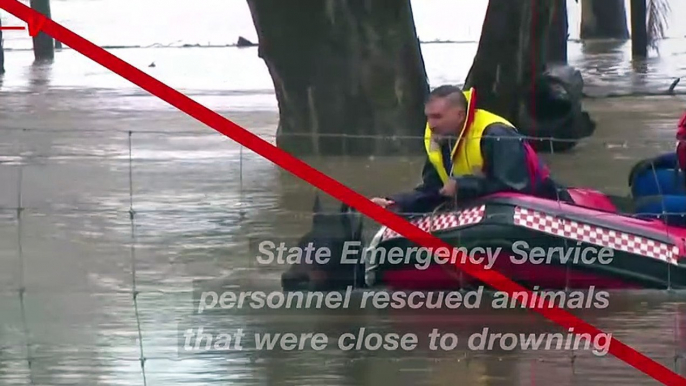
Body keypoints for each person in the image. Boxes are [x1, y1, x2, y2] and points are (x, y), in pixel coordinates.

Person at [371, 85, 568, 213]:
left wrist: (462, 185)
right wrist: (397, 202)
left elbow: (515, 187)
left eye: (437, 117)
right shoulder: (439, 139)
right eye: (428, 116)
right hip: (481, 213)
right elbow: (434, 189)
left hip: (539, 205)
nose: (430, 124)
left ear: (459, 115)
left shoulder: (495, 134)